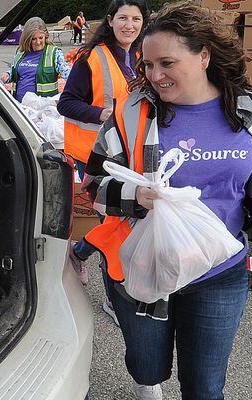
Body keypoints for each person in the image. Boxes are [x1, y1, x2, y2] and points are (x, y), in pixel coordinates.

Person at [81, 3, 252, 400]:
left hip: (220, 274)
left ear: (203, 56)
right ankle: (144, 375)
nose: (154, 75)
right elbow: (94, 184)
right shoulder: (133, 114)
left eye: (167, 63)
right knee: (147, 363)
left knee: (204, 389)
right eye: (147, 64)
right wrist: (135, 198)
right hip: (143, 268)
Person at [58, 0, 147, 324]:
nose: (129, 24)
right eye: (123, 17)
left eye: (136, 18)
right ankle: (113, 297)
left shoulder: (142, 57)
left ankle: (79, 251)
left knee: (117, 223)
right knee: (114, 225)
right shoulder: (91, 59)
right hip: (94, 157)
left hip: (130, 156)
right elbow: (66, 103)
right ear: (110, 20)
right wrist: (101, 113)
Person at [0, 17, 71, 103]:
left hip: (43, 108)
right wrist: (8, 74)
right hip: (19, 106)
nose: (38, 42)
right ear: (27, 39)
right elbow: (15, 72)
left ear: (46, 36)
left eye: (41, 38)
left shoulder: (54, 53)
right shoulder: (20, 53)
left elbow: (68, 75)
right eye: (33, 39)